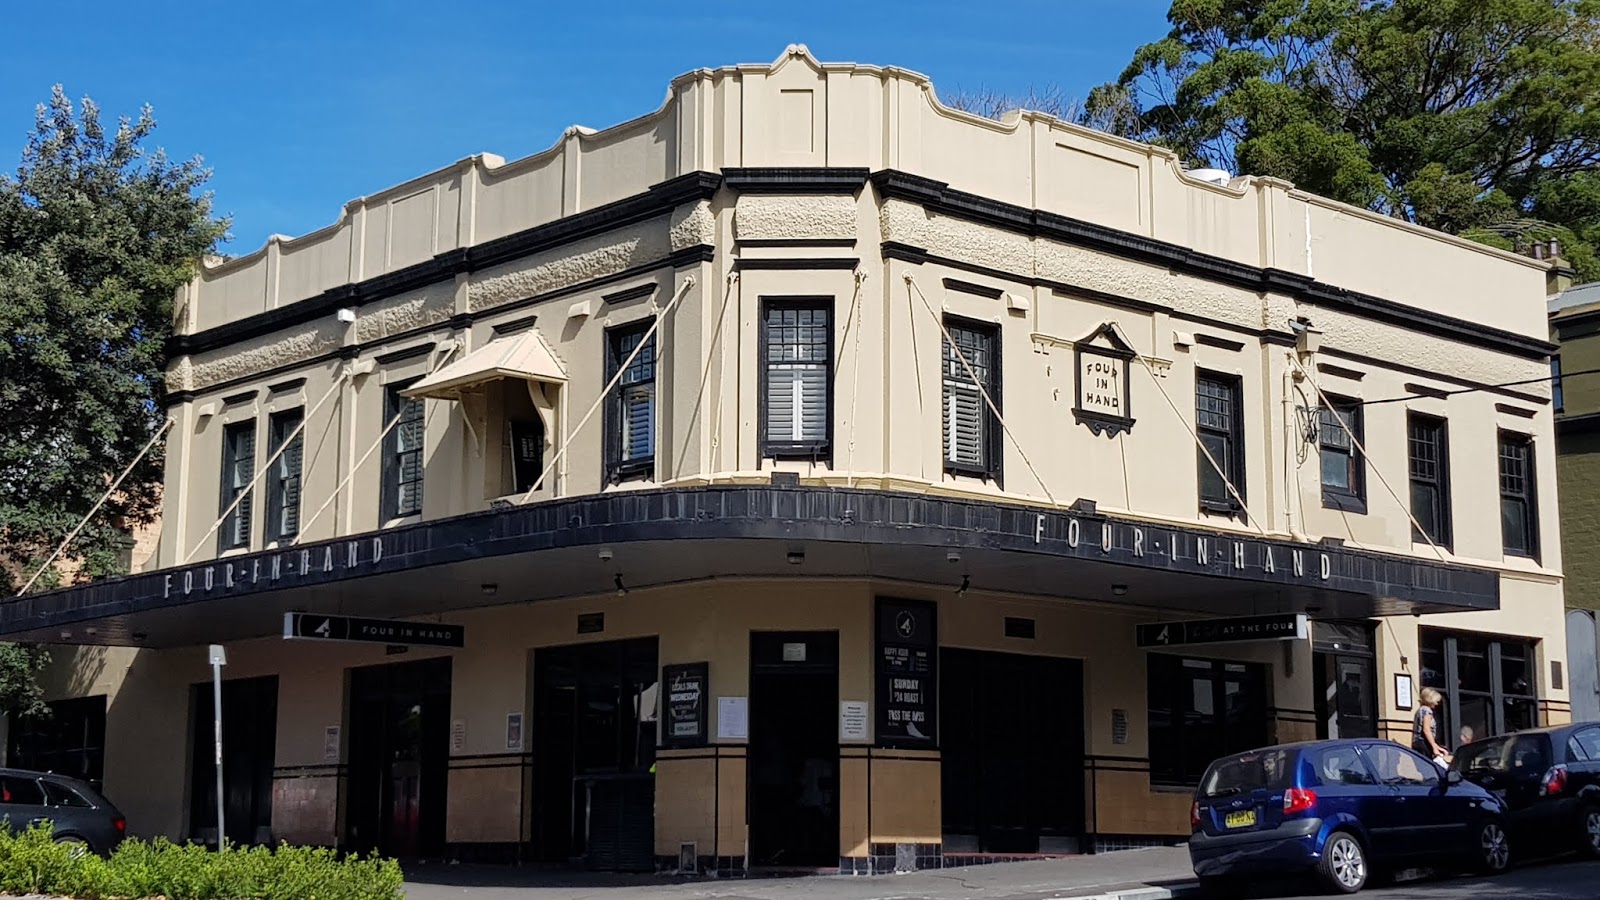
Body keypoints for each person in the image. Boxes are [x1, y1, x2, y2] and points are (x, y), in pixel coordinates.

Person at [1413, 687, 1451, 765]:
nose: (1437, 704)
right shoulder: (1427, 711)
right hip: (1424, 743)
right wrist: (1434, 748)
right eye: (1436, 701)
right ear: (1430, 699)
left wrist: (1437, 747)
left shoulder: (1420, 710)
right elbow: (1426, 730)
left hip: (1417, 743)